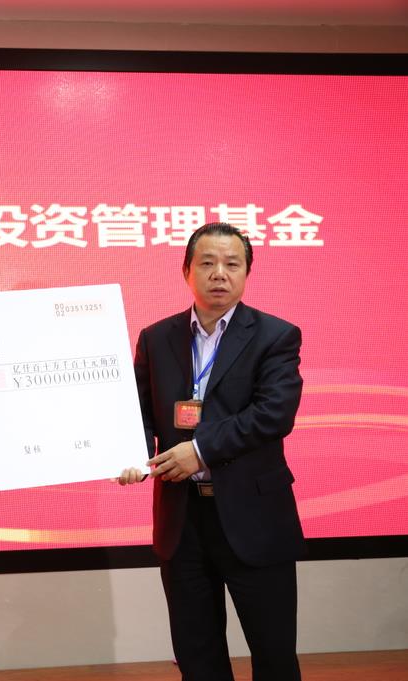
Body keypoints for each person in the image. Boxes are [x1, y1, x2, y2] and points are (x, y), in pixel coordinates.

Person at [117, 222, 305, 681]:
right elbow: (138, 412)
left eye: (231, 264)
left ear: (246, 273)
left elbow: (273, 414)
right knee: (197, 655)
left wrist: (199, 451)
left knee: (274, 654)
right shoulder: (156, 337)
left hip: (253, 517)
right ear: (186, 270)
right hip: (183, 522)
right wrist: (128, 453)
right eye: (207, 263)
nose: (219, 273)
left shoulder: (275, 336)